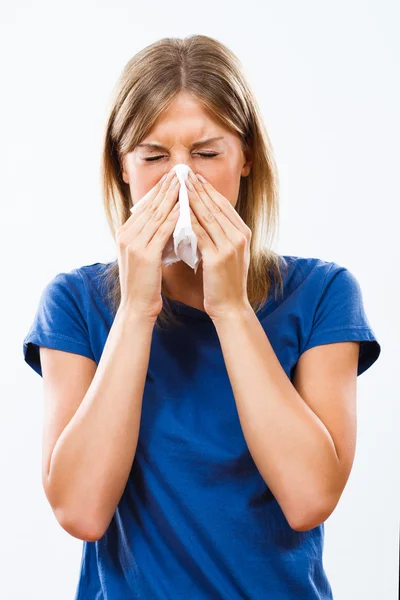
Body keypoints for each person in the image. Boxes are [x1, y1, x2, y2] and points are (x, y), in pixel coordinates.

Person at [22, 34, 381, 600]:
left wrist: (232, 308)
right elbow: (81, 510)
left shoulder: (323, 294)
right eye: (155, 157)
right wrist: (137, 308)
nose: (180, 180)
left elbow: (310, 497)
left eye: (207, 154)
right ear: (123, 168)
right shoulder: (74, 302)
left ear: (246, 160)